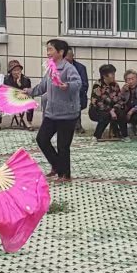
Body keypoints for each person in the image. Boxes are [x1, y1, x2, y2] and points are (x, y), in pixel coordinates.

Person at [32, 39, 82, 181]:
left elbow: (78, 84)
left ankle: (65, 174)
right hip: (51, 113)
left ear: (60, 52)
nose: (48, 53)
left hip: (67, 114)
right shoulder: (50, 67)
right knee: (42, 139)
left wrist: (67, 85)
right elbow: (42, 87)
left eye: (51, 50)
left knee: (63, 145)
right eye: (47, 50)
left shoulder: (68, 68)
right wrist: (27, 92)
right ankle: (57, 165)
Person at [89, 65, 126, 140]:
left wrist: (114, 109)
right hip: (97, 110)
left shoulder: (115, 85)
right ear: (104, 76)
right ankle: (96, 136)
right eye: (112, 74)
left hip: (113, 108)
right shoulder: (98, 85)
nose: (113, 76)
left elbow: (120, 99)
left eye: (114, 74)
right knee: (105, 115)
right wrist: (110, 111)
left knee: (121, 112)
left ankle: (125, 135)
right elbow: (98, 103)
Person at [2, 60, 35, 127]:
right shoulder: (6, 79)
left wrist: (19, 83)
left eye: (18, 70)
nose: (17, 72)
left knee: (31, 102)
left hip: (21, 99)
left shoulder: (26, 79)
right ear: (11, 71)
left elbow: (27, 92)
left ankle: (29, 122)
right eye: (14, 70)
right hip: (9, 99)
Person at [68, 49, 92, 135]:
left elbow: (84, 85)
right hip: (62, 94)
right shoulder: (59, 67)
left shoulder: (80, 68)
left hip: (77, 94)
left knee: (75, 100)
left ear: (72, 56)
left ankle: (77, 126)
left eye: (68, 56)